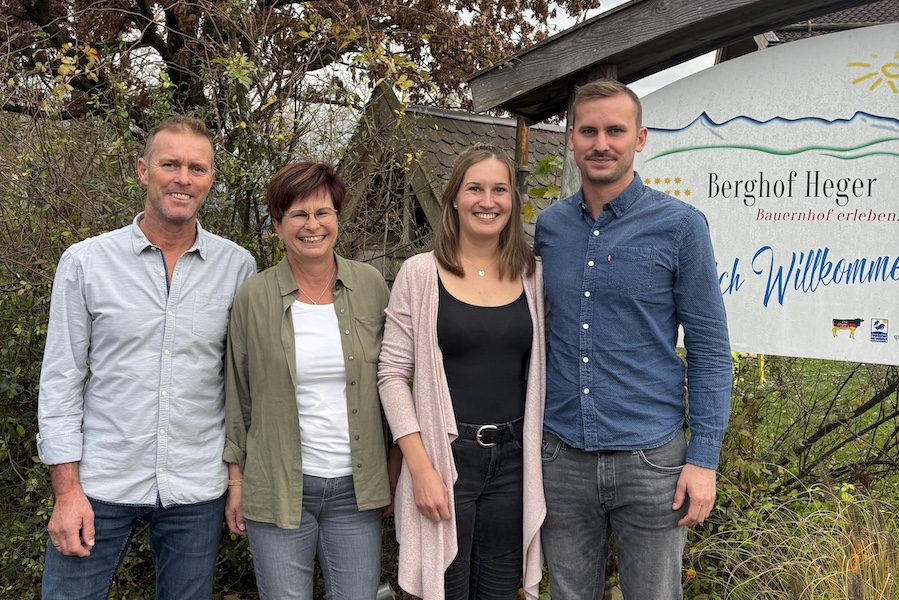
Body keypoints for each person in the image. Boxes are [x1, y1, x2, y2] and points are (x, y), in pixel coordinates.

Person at [36, 115, 257, 599]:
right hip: (99, 483)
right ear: (142, 169)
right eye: (170, 164)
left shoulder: (238, 267)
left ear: (211, 179)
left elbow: (241, 385)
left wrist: (237, 478)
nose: (183, 178)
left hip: (195, 487)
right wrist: (67, 491)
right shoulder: (86, 263)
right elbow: (60, 381)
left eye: (197, 168)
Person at [533, 79, 732, 599]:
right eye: (589, 130)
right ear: (571, 138)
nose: (602, 143)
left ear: (639, 138)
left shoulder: (681, 226)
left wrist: (704, 459)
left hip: (652, 462)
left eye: (615, 130)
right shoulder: (549, 228)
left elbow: (709, 351)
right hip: (561, 456)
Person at [378, 144, 547, 600]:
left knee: (496, 590)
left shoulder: (533, 276)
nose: (487, 201)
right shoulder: (419, 274)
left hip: (514, 460)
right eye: (475, 188)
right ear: (454, 197)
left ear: (513, 200)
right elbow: (392, 374)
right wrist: (421, 469)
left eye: (499, 189)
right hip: (446, 457)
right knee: (445, 588)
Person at [223, 161, 396, 600]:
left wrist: (393, 471)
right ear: (278, 225)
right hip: (278, 488)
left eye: (323, 213)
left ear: (338, 218)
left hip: (356, 492)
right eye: (298, 214)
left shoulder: (371, 285)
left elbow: (394, 380)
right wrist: (236, 482)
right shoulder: (253, 296)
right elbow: (238, 397)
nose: (312, 225)